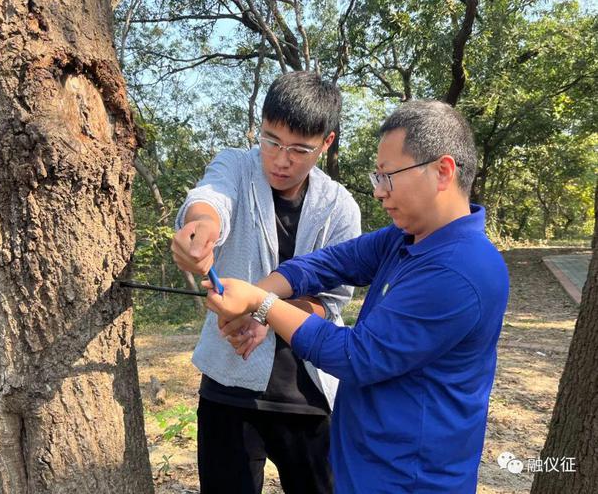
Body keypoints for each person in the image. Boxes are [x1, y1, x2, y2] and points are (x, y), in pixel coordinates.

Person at [203, 100, 510, 493]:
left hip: (410, 479)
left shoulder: (460, 269)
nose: (380, 192)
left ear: (443, 171)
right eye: (377, 176)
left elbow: (358, 356)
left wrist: (261, 305)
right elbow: (329, 263)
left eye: (389, 177)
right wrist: (256, 294)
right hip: (367, 466)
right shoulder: (408, 238)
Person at [171, 71, 361, 493]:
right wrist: (201, 227)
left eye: (298, 149)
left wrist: (263, 311)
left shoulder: (340, 207)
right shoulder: (236, 166)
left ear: (326, 143)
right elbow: (210, 198)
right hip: (228, 386)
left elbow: (330, 303)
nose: (280, 159)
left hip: (309, 394)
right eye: (271, 140)